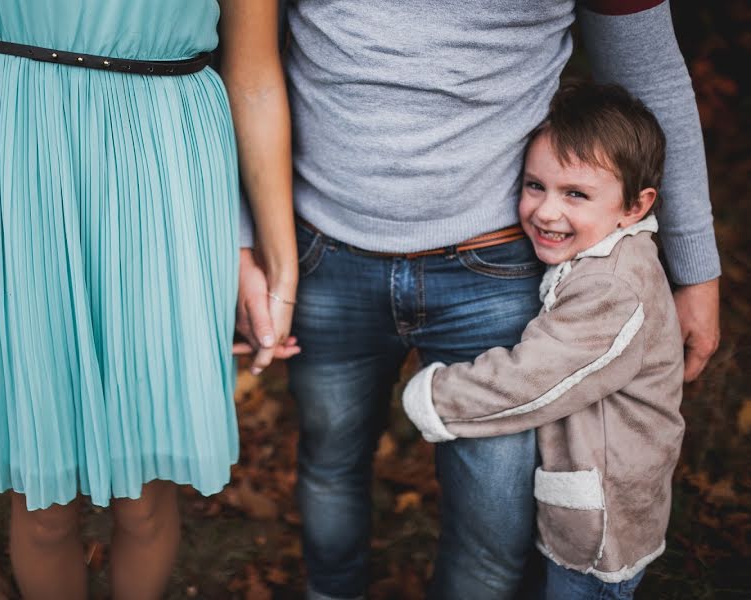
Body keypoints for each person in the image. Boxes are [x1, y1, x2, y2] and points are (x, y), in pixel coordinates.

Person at [234, 1, 720, 598]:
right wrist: (243, 239)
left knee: (492, 521)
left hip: (495, 267)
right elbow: (244, 66)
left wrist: (697, 270)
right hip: (324, 251)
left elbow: (649, 69)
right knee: (329, 462)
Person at [0, 1, 295, 598]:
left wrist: (276, 265)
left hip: (165, 172)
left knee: (146, 500)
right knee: (43, 504)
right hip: (11, 170)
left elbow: (254, 78)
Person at [403, 81, 683, 600]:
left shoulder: (615, 287)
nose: (547, 212)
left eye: (575, 194)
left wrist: (434, 395)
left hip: (601, 530)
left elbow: (532, 381)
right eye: (535, 186)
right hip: (581, 499)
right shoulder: (600, 254)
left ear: (635, 206)